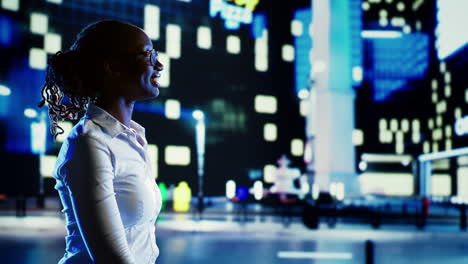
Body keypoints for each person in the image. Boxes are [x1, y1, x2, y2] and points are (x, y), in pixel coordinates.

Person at [38, 20, 164, 264]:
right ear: (113, 67)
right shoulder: (88, 142)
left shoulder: (133, 138)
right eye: (148, 55)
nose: (158, 64)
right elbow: (111, 258)